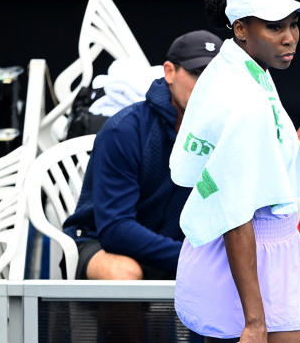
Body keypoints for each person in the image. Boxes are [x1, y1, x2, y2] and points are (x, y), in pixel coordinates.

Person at [169, 0, 300, 343]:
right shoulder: (244, 98)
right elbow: (235, 212)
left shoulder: (235, 68)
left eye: (293, 24)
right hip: (249, 259)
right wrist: (256, 322)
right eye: (275, 27)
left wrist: (288, 154)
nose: (290, 37)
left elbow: (235, 164)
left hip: (231, 257)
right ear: (241, 28)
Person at [62, 30, 223, 280]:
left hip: (183, 252)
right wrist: (193, 259)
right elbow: (116, 230)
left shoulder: (229, 133)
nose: (208, 86)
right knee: (123, 274)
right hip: (101, 243)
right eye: (198, 73)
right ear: (169, 72)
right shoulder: (124, 129)